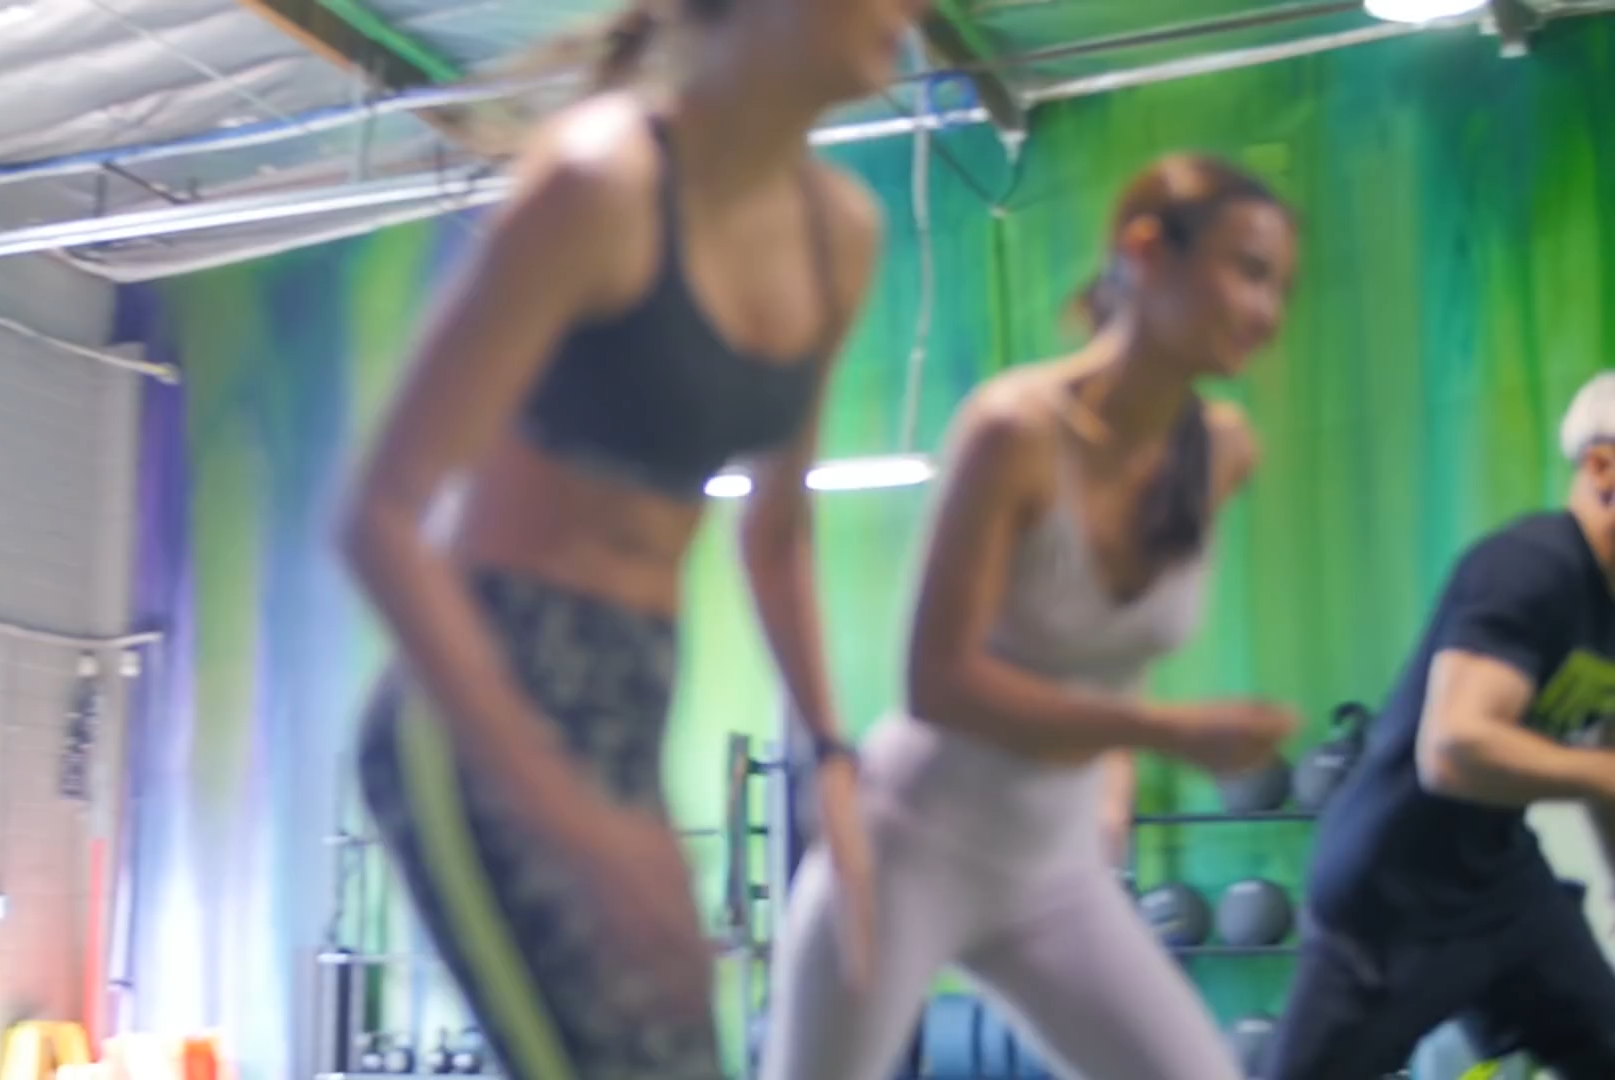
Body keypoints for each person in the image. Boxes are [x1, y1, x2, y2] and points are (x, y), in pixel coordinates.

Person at [335, 0, 927, 1075]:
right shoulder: (598, 185)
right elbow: (377, 517)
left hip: (632, 695)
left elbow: (777, 533)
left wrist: (833, 762)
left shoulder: (839, 236)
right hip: (480, 701)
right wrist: (575, 822)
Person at [759, 154, 1303, 1080]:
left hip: (1053, 869)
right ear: (1146, 252)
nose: (1267, 310)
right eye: (1248, 271)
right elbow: (937, 683)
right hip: (909, 847)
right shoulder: (1013, 430)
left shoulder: (1222, 452)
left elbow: (1112, 652)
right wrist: (1164, 733)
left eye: (1280, 286)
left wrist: (1113, 782)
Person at [1260, 371, 1615, 1079]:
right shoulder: (1529, 564)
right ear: (1603, 468)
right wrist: (1605, 773)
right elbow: (1453, 747)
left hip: (1500, 884)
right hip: (1390, 896)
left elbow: (1601, 758)